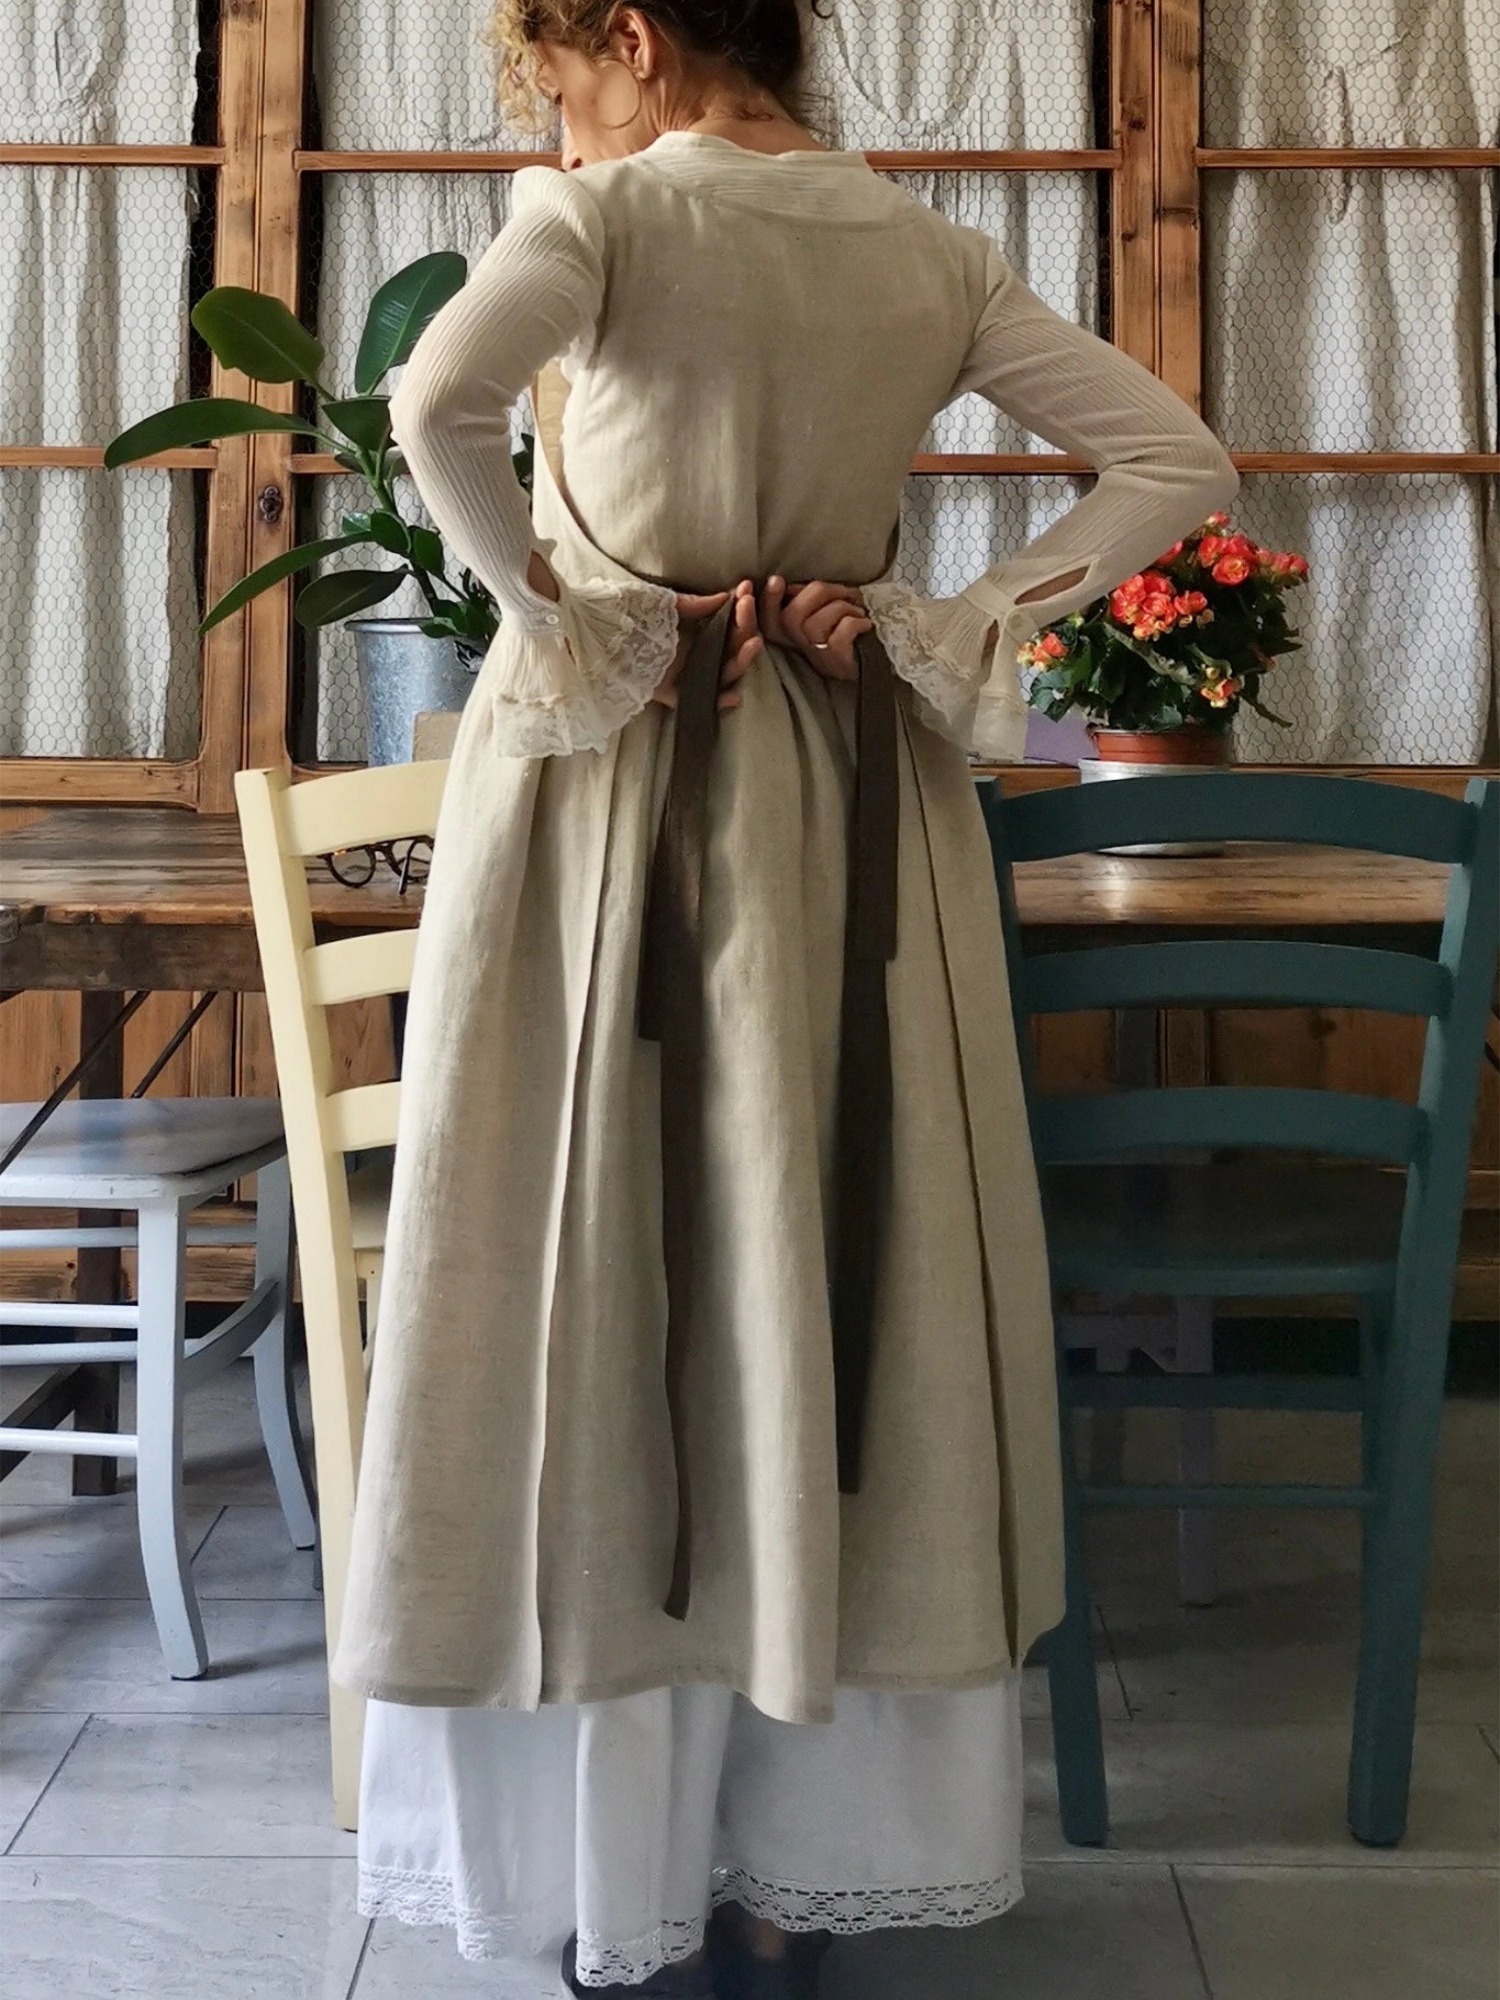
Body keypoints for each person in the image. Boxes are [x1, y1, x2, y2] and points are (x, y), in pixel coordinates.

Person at [331, 4, 1241, 1994]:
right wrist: (953, 621)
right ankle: (794, 1861)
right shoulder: (924, 250)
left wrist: (570, 623)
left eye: (559, 78)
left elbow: (432, 405)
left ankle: (618, 1861)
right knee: (824, 1267)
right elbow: (1178, 462)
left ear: (630, 35)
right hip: (848, 802)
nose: (558, 123)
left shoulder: (601, 223)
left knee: (591, 1274)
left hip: (612, 806)